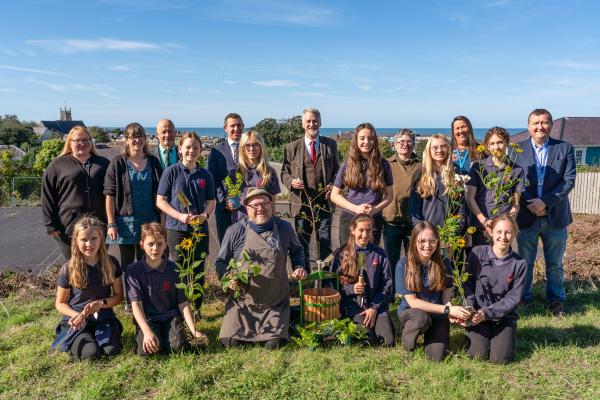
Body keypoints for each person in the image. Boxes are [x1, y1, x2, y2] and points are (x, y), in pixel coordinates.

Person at [216, 188, 306, 349]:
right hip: (243, 304)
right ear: (246, 208)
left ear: (271, 205)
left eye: (265, 203)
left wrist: (299, 266)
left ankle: (285, 320)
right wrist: (228, 278)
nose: (260, 208)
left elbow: (298, 251)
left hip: (275, 303)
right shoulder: (235, 231)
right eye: (255, 205)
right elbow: (221, 262)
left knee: (274, 344)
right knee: (229, 343)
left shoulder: (284, 228)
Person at [514, 108, 576, 316]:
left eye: (544, 122)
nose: (540, 126)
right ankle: (523, 298)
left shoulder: (564, 148)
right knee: (525, 262)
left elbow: (568, 181)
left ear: (551, 125)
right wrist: (532, 203)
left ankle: (556, 300)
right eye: (535, 123)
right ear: (529, 126)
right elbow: (513, 182)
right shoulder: (516, 150)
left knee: (555, 264)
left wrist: (545, 202)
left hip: (555, 216)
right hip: (526, 214)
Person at [126, 222, 208, 355]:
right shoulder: (133, 270)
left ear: (166, 244)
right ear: (141, 245)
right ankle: (149, 335)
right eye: (150, 244)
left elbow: (183, 303)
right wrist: (147, 332)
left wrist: (193, 330)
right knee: (146, 351)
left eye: (160, 244)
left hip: (170, 317)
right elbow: (136, 305)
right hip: (149, 318)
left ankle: (174, 335)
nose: (155, 249)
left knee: (178, 348)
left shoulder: (174, 268)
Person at [156, 132, 215, 312]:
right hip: (176, 229)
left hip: (199, 230)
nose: (191, 151)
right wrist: (179, 216)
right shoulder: (171, 172)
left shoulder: (206, 175)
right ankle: (179, 310)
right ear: (180, 149)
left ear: (200, 150)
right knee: (180, 270)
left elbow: (211, 202)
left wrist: (204, 216)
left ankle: (196, 309)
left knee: (198, 269)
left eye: (195, 147)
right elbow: (160, 200)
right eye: (187, 147)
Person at [395, 221, 471, 361]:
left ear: (437, 242)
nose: (427, 246)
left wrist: (449, 307)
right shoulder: (403, 264)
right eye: (422, 241)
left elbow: (446, 293)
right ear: (414, 241)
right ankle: (408, 340)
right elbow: (413, 302)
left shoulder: (445, 262)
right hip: (412, 313)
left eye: (432, 241)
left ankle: (431, 336)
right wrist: (446, 310)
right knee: (421, 318)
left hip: (438, 313)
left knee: (437, 356)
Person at [52, 216, 123, 361]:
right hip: (77, 320)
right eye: (83, 240)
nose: (89, 244)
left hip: (103, 317)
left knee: (111, 351)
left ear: (101, 239)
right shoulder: (69, 268)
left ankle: (101, 334)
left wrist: (101, 304)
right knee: (91, 354)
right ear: (76, 241)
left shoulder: (111, 263)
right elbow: (60, 303)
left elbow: (118, 296)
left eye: (94, 238)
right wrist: (75, 315)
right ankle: (79, 338)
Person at [463, 215, 527, 363]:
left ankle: (504, 336)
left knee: (500, 359)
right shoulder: (477, 253)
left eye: (508, 232)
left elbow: (513, 298)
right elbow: (468, 283)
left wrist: (488, 312)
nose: (503, 237)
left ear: (514, 234)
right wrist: (471, 308)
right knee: (476, 355)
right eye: (499, 232)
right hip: (477, 315)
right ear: (491, 232)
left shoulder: (519, 263)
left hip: (503, 317)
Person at [281, 108, 339, 268]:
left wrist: (333, 184)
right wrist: (291, 182)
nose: (312, 124)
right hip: (301, 203)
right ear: (302, 124)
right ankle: (304, 279)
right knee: (301, 241)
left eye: (315, 121)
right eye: (308, 121)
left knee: (325, 240)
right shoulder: (291, 147)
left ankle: (325, 279)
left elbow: (337, 170)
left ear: (320, 122)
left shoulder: (330, 145)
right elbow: (284, 172)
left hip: (324, 203)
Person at [42, 125, 110, 260]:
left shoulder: (103, 164)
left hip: (99, 227)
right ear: (69, 143)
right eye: (77, 140)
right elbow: (47, 196)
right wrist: (50, 226)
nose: (82, 143)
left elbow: (112, 193)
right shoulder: (57, 165)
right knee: (75, 267)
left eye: (86, 140)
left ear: (91, 142)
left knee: (99, 265)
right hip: (67, 228)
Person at [104, 123, 163, 270]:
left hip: (150, 222)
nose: (137, 140)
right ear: (127, 140)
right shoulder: (117, 163)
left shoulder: (153, 162)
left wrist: (162, 222)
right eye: (133, 137)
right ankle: (131, 293)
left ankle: (148, 293)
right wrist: (111, 224)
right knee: (128, 265)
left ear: (145, 138)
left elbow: (162, 194)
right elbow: (109, 195)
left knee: (149, 263)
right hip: (126, 223)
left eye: (140, 136)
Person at [332, 214, 395, 346]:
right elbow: (333, 283)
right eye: (361, 230)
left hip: (376, 306)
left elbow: (387, 285)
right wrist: (351, 289)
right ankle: (361, 326)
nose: (365, 235)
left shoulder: (380, 253)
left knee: (388, 342)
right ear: (353, 230)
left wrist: (374, 307)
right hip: (353, 306)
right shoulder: (342, 253)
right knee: (368, 340)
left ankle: (375, 323)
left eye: (369, 230)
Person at [330, 122, 393, 247]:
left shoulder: (384, 165)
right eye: (362, 138)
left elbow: (389, 196)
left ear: (375, 141)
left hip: (373, 218)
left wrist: (375, 209)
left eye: (370, 138)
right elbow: (334, 195)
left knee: (369, 259)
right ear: (356, 140)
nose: (366, 142)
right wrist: (356, 209)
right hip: (349, 218)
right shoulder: (347, 164)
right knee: (348, 258)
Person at [466, 127, 524, 246]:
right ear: (487, 146)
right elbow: (470, 198)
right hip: (481, 226)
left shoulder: (516, 170)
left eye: (500, 142)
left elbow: (516, 203)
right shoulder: (478, 167)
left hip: (503, 229)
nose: (496, 147)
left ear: (507, 143)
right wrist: (485, 222)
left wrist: (508, 222)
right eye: (492, 143)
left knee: (502, 262)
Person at [382, 129, 421, 275]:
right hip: (391, 221)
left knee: (414, 261)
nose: (405, 144)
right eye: (401, 141)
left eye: (409, 141)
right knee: (391, 262)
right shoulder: (386, 164)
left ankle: (411, 294)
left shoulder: (421, 165)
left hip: (413, 223)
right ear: (395, 144)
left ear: (413, 144)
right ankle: (391, 295)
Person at [409, 134, 463, 230]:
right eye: (435, 147)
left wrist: (457, 228)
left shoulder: (456, 171)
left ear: (448, 148)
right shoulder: (420, 174)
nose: (439, 150)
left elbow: (461, 206)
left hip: (451, 232)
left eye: (443, 146)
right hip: (427, 232)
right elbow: (414, 209)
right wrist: (421, 231)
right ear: (429, 150)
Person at [226, 129, 281, 222]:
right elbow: (230, 200)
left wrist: (274, 225)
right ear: (242, 148)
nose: (252, 149)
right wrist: (229, 205)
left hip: (263, 223)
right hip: (240, 222)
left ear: (261, 147)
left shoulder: (269, 172)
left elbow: (272, 204)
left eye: (255, 144)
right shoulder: (234, 172)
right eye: (248, 145)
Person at [208, 113, 244, 244]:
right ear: (225, 128)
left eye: (239, 125)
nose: (236, 128)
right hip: (224, 208)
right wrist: (224, 201)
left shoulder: (249, 148)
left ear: (243, 127)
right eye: (232, 125)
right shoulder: (216, 151)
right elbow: (213, 179)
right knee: (225, 246)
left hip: (245, 208)